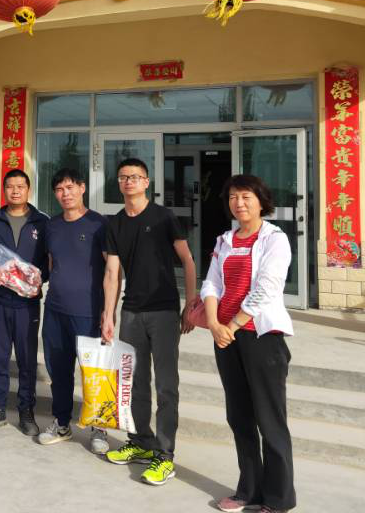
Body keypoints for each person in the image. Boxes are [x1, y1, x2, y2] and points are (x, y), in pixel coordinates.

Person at [201, 174, 296, 513]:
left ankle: (278, 499)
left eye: (246, 197)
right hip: (226, 338)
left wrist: (232, 324)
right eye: (233, 197)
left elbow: (267, 287)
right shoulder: (225, 239)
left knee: (269, 420)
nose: (239, 203)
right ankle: (249, 491)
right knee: (239, 417)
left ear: (261, 201)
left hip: (261, 338)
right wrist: (214, 324)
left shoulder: (274, 239)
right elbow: (211, 284)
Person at [102, 157, 197, 486]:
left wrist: (190, 304)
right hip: (131, 312)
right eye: (123, 177)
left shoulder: (163, 217)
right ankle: (141, 441)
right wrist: (108, 314)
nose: (128, 181)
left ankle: (165, 455)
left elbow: (187, 260)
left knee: (166, 385)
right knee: (135, 383)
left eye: (135, 177)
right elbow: (112, 273)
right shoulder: (115, 223)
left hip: (164, 312)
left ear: (146, 182)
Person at [37, 168, 109, 453]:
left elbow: (112, 271)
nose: (65, 194)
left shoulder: (99, 224)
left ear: (82, 188)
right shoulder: (52, 226)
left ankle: (99, 426)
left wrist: (108, 311)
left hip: (88, 312)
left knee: (94, 372)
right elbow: (52, 263)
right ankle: (62, 423)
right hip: (55, 310)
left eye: (70, 187)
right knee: (59, 370)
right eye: (59, 189)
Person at [0, 168, 48, 436]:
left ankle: (26, 411)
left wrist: (36, 278)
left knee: (27, 359)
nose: (15, 191)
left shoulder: (42, 222)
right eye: (10, 186)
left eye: (20, 186)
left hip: (27, 303)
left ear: (29, 190)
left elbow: (49, 261)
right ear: (4, 189)